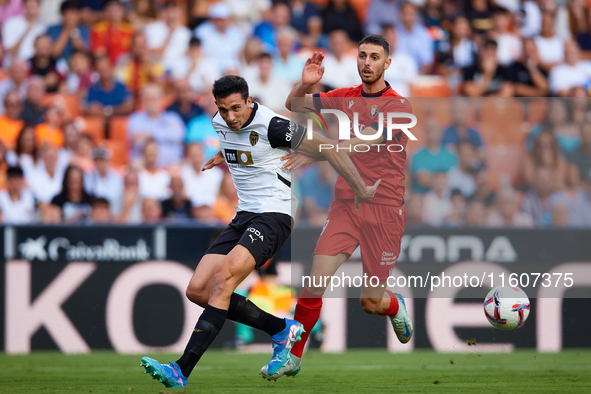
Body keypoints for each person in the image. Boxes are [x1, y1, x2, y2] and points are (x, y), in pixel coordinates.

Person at [140, 74, 378, 388]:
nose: (230, 116)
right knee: (197, 290)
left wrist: (360, 189)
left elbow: (328, 147)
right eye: (224, 110)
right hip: (244, 216)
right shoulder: (220, 122)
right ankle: (281, 328)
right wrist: (224, 154)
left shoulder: (273, 126)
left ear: (250, 102)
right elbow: (240, 143)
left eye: (236, 108)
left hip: (273, 215)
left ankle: (180, 370)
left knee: (223, 281)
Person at [264, 34, 414, 380]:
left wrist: (316, 150)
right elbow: (294, 105)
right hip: (346, 204)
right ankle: (293, 357)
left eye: (374, 57)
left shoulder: (399, 106)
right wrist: (304, 85)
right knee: (314, 284)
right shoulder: (342, 97)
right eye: (362, 56)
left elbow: (367, 141)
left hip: (385, 207)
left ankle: (393, 304)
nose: (366, 63)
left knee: (370, 302)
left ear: (386, 64)